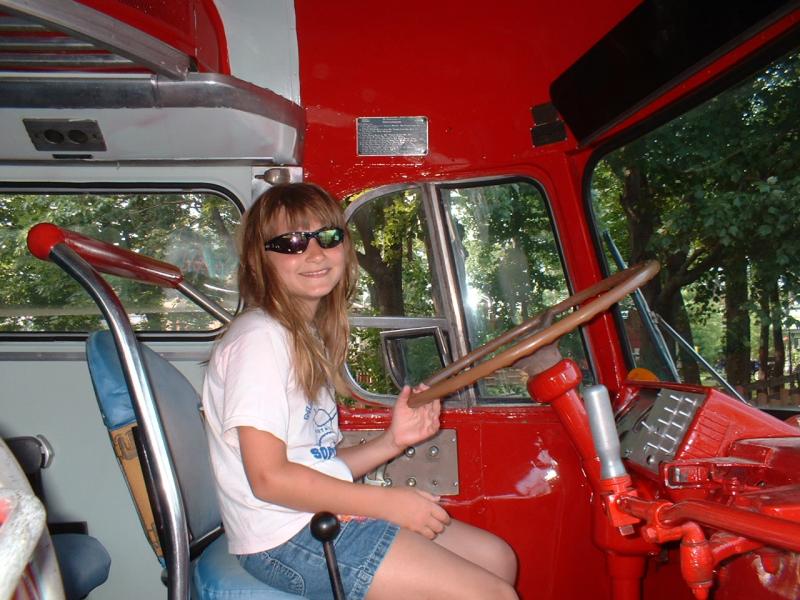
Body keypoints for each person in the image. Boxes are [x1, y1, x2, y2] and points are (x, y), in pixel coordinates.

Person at [202, 182, 518, 600]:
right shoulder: (259, 339)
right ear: (261, 258)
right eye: (292, 242)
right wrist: (385, 503)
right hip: (283, 539)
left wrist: (393, 441)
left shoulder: (303, 336)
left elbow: (313, 464)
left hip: (305, 517)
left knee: (497, 559)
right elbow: (269, 480)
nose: (314, 253)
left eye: (328, 237)